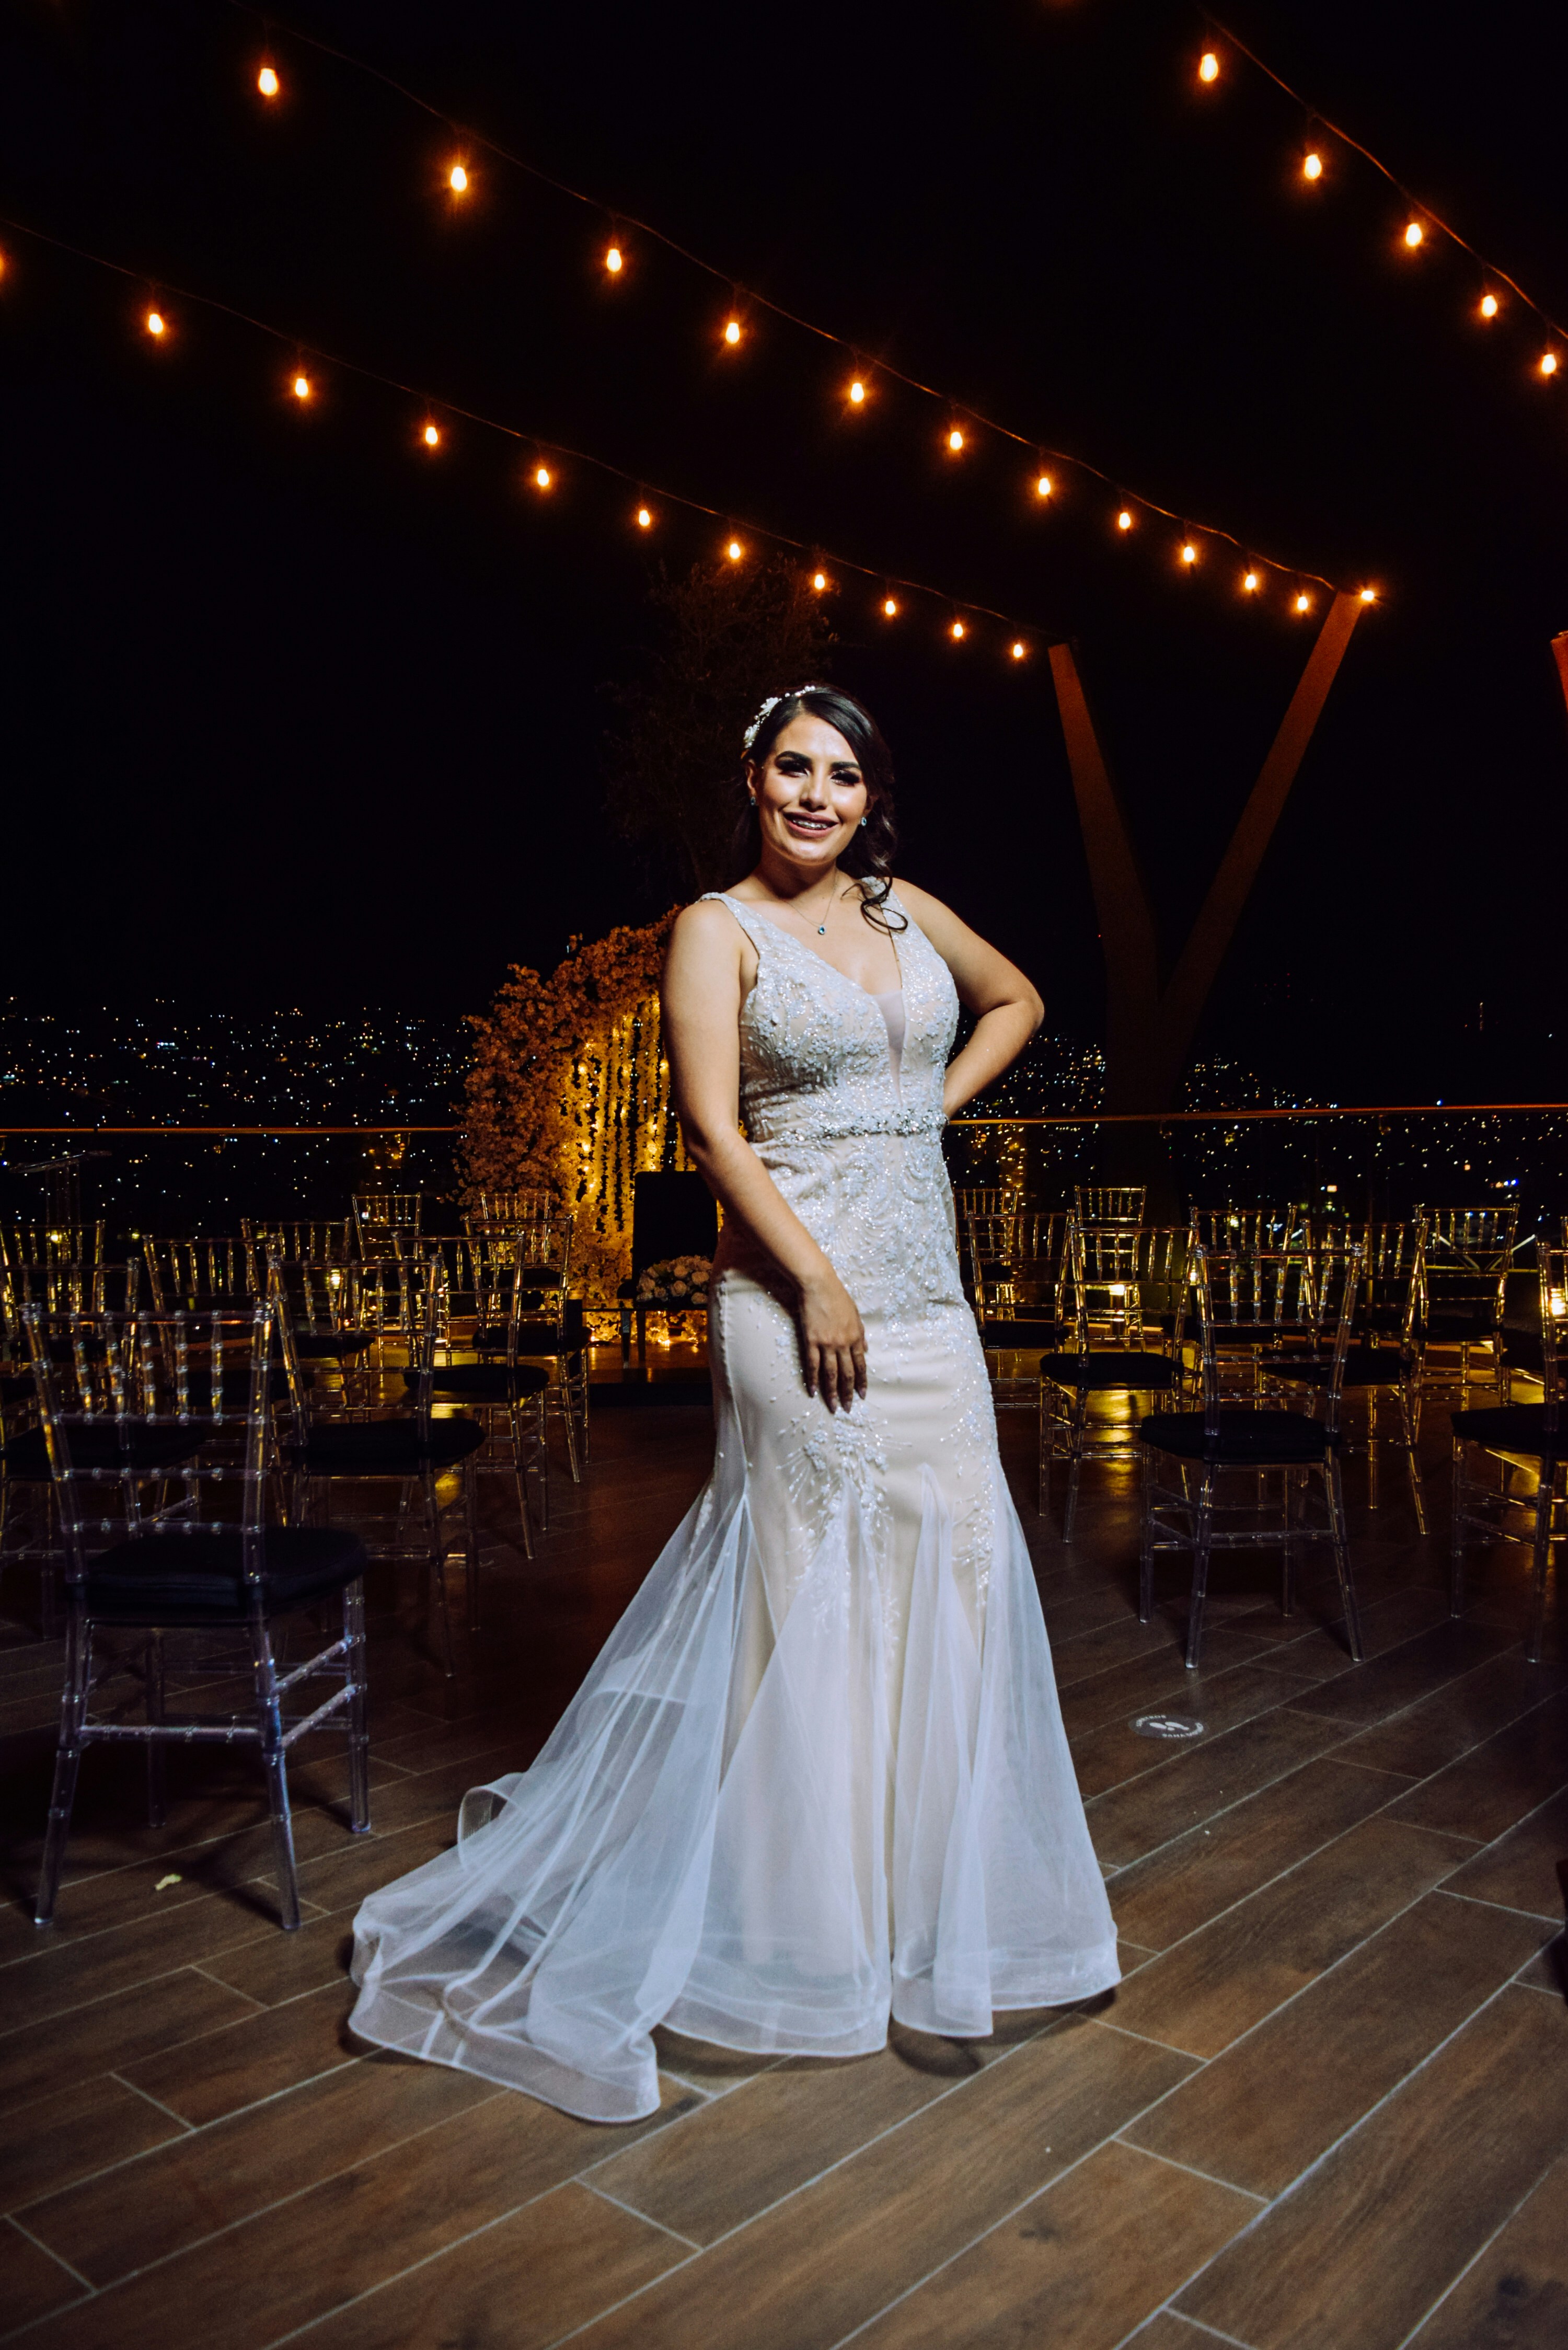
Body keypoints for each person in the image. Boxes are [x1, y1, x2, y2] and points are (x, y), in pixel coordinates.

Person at [349, 684, 1119, 2120]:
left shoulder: (905, 912)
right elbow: (710, 1127)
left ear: (870, 795)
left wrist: (928, 1111)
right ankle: (796, 1925)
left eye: (843, 774)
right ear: (754, 783)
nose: (816, 796)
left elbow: (1021, 1001)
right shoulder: (718, 927)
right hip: (788, 1302)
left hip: (930, 1305)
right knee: (805, 1586)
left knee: (949, 1583)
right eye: (791, 770)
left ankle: (919, 1908)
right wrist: (816, 1280)